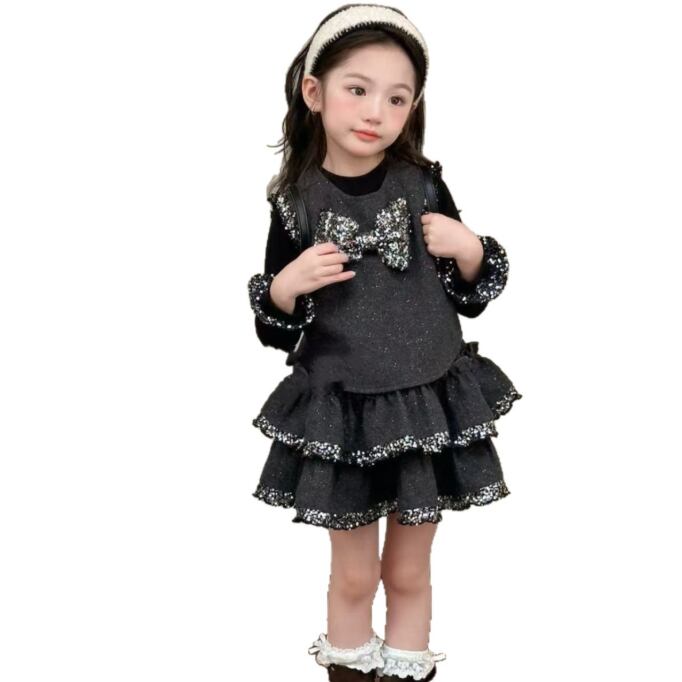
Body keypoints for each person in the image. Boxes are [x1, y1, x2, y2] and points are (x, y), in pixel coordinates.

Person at [246, 4, 523, 681]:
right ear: (314, 92)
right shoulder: (295, 202)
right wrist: (285, 288)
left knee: (407, 568)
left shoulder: (422, 183)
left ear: (413, 108)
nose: (376, 111)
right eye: (358, 88)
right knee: (353, 573)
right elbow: (273, 330)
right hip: (343, 407)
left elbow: (471, 298)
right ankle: (347, 669)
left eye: (397, 98)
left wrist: (468, 250)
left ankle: (407, 668)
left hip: (424, 397)